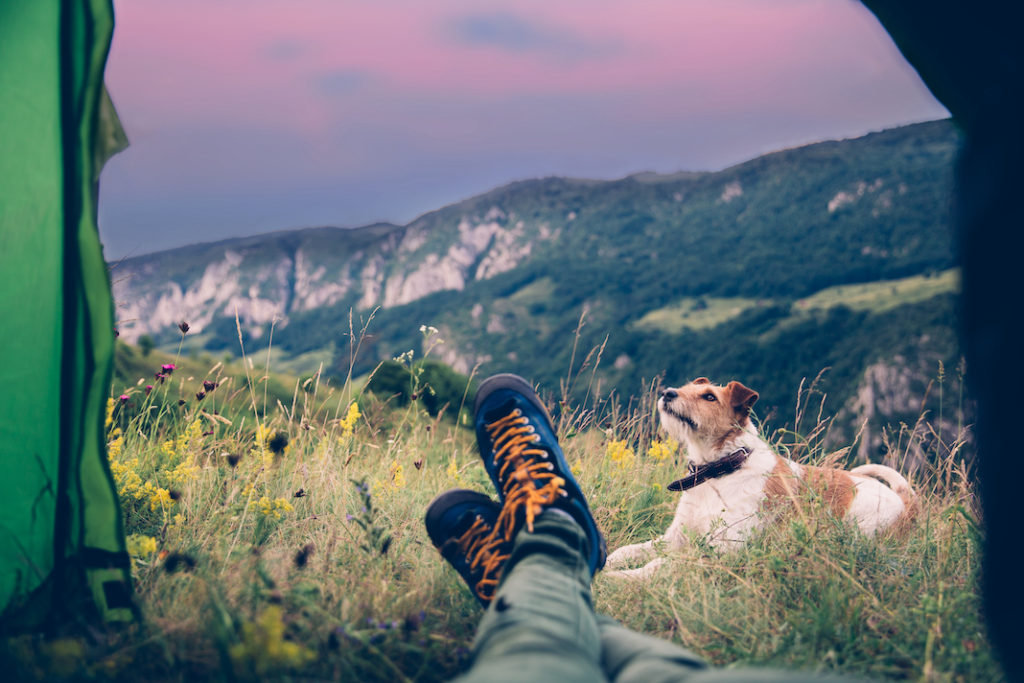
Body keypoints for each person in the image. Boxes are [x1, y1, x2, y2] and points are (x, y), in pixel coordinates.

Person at [426, 374, 868, 682]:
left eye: (708, 397)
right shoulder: (703, 470)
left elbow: (715, 559)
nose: (680, 395)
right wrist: (622, 561)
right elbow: (674, 543)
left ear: (738, 415)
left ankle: (542, 558)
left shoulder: (761, 479)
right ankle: (556, 559)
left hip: (867, 508)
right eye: (688, 391)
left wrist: (641, 573)